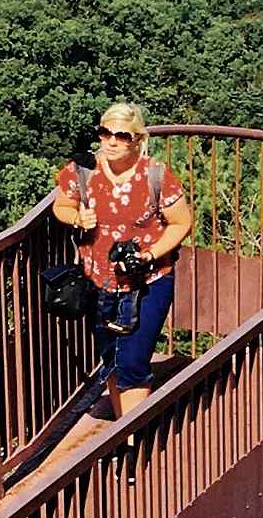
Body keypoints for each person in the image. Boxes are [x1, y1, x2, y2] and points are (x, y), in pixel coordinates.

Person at [51, 101, 192, 421]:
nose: (111, 142)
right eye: (105, 133)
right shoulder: (81, 170)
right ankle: (123, 432)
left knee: (132, 362)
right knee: (113, 359)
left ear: (137, 140)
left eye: (121, 135)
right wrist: (77, 217)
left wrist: (149, 254)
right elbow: (61, 206)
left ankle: (132, 443)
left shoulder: (156, 175)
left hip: (148, 281)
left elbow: (181, 222)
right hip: (98, 281)